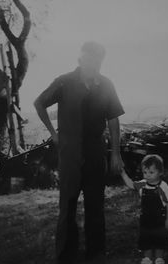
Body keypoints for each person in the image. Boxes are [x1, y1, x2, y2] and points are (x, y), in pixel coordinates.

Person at [34, 41, 125, 264]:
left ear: (101, 61)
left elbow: (113, 119)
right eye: (89, 58)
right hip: (70, 153)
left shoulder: (106, 85)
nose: (92, 63)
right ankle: (66, 254)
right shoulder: (64, 82)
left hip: (95, 152)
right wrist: (53, 134)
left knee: (96, 203)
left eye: (97, 59)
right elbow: (39, 103)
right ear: (80, 59)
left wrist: (115, 154)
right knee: (68, 204)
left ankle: (96, 253)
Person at [121, 154, 168, 264]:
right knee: (146, 238)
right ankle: (147, 258)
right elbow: (131, 184)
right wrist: (123, 173)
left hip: (160, 220)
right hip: (145, 220)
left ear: (160, 172)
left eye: (151, 172)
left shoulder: (163, 186)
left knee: (160, 238)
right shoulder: (142, 184)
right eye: (145, 172)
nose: (147, 175)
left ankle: (159, 258)